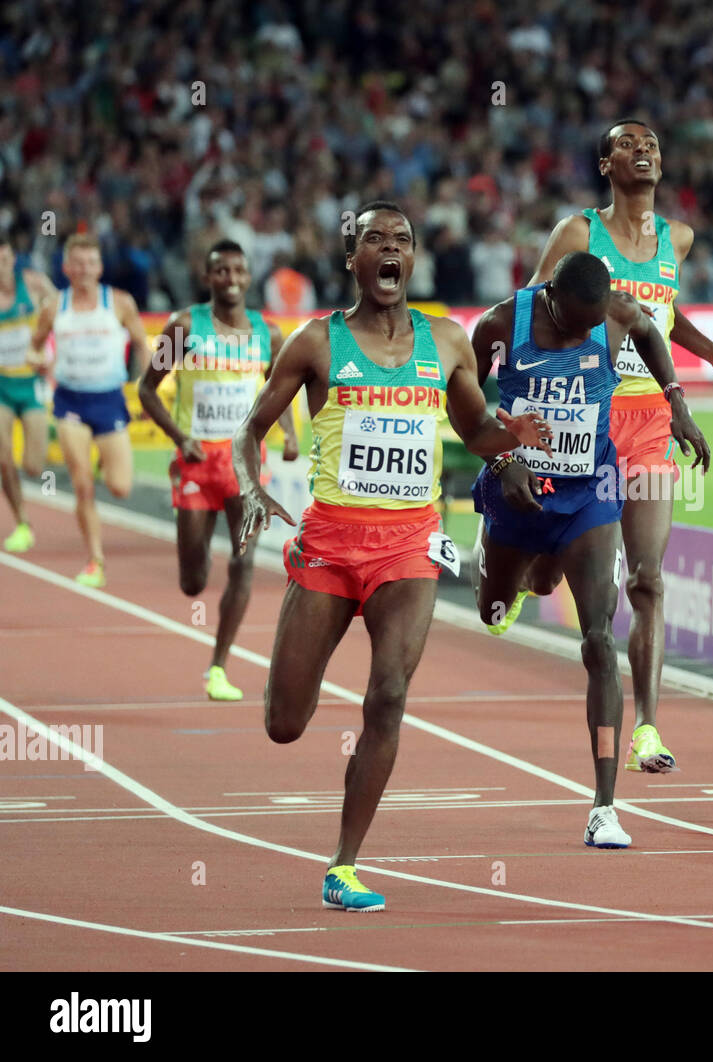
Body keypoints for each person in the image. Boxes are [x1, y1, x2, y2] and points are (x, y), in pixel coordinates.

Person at [232, 202, 552, 912]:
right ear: (352, 259)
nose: (389, 249)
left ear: (413, 262)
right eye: (373, 238)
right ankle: (298, 698)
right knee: (284, 722)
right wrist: (252, 489)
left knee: (390, 695)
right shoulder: (315, 343)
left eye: (401, 241)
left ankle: (343, 865)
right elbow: (250, 429)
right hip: (330, 544)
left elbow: (474, 427)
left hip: (408, 546)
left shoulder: (445, 342)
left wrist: (510, 436)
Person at [515, 119, 713, 775]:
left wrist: (708, 359)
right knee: (544, 575)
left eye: (651, 144)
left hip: (648, 426)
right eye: (626, 144)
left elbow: (660, 315)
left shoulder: (679, 238)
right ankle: (524, 558)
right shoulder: (578, 235)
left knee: (646, 579)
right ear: (603, 163)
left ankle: (648, 726)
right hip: (580, 426)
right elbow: (534, 310)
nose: (642, 150)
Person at [471, 252, 708, 848]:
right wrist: (501, 457)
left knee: (598, 638)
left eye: (593, 324)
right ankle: (503, 566)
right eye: (575, 324)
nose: (585, 334)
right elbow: (465, 402)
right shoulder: (501, 324)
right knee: (495, 610)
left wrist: (675, 398)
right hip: (520, 493)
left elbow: (655, 335)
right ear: (550, 296)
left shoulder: (618, 314)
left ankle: (604, 806)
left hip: (589, 494)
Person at [138, 239, 300, 701]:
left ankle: (217, 667)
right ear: (208, 278)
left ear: (249, 277)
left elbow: (277, 389)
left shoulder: (266, 334)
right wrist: (180, 437)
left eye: (238, 271)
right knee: (193, 580)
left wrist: (288, 433)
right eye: (221, 271)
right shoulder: (185, 327)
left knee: (244, 559)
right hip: (195, 461)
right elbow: (147, 389)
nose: (231, 279)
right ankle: (195, 567)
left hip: (244, 464)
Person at [29, 233, 150, 586]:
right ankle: (95, 560)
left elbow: (143, 345)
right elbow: (34, 349)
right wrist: (38, 361)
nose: (83, 270)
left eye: (90, 263)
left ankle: (102, 459)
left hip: (109, 399)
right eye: (77, 263)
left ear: (99, 267)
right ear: (66, 268)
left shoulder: (120, 303)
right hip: (70, 401)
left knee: (120, 487)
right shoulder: (55, 307)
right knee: (82, 486)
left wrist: (146, 385)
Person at [0, 231, 57, 553]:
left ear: (11, 257)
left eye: (4, 260)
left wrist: (50, 357)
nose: (1, 268)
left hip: (31, 384)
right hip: (2, 386)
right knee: (3, 459)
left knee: (34, 466)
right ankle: (22, 522)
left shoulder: (34, 284)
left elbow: (63, 315)